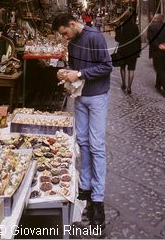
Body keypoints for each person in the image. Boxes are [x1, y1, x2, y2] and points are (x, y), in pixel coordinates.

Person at [52, 12, 112, 232]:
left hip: (97, 97)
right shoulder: (73, 41)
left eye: (65, 32)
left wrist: (78, 73)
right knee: (83, 144)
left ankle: (98, 202)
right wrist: (66, 72)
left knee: (96, 146)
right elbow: (76, 70)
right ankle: (85, 192)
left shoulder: (94, 37)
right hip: (80, 97)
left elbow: (106, 66)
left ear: (72, 24)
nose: (65, 37)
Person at [147, 13, 165, 98]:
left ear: (156, 19)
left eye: (154, 18)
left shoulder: (151, 27)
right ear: (162, 19)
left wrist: (158, 45)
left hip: (156, 52)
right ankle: (158, 85)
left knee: (158, 69)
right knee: (161, 68)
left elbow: (150, 39)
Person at [115, 15, 141, 95]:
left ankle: (123, 84)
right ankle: (129, 87)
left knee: (122, 67)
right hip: (133, 51)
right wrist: (138, 51)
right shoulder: (135, 27)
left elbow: (117, 39)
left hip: (122, 51)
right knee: (131, 69)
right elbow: (138, 39)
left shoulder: (121, 27)